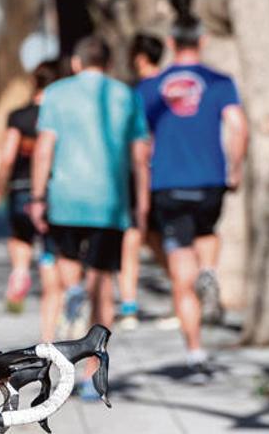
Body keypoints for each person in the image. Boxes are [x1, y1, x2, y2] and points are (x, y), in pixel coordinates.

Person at [29, 36, 150, 399]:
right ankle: (91, 375)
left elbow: (44, 149)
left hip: (66, 198)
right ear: (108, 63)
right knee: (104, 283)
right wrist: (141, 202)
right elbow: (140, 155)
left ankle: (73, 289)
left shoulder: (56, 94)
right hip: (109, 202)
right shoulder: (126, 95)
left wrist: (37, 196)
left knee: (68, 264)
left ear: (78, 63)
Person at [136, 17, 248, 383]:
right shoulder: (219, 82)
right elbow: (238, 125)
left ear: (170, 41)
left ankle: (195, 353)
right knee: (208, 231)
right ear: (203, 39)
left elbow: (140, 142)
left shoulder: (151, 87)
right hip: (210, 182)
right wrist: (235, 168)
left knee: (180, 274)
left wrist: (142, 186)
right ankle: (210, 271)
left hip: (168, 184)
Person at [0, 61, 61, 335]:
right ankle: (52, 297)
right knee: (51, 248)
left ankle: (19, 271)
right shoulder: (60, 116)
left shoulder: (19, 116)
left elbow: (7, 156)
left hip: (20, 188)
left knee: (20, 236)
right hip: (50, 190)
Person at [117, 33, 165, 330]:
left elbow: (137, 142)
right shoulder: (173, 88)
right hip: (173, 175)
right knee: (164, 242)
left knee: (132, 238)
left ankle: (130, 306)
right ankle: (187, 297)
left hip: (143, 173)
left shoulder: (136, 95)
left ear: (139, 57)